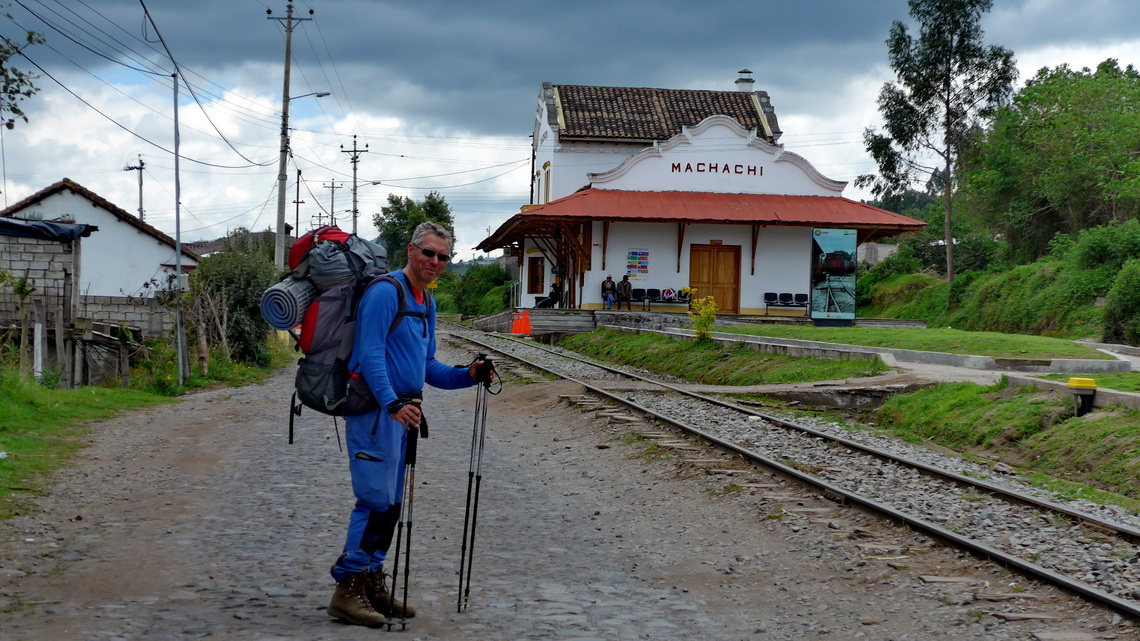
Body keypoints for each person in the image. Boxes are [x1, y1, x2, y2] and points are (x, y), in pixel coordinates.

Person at [327, 221, 492, 627]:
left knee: (392, 505)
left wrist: (466, 374)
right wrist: (392, 403)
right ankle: (346, 589)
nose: (435, 262)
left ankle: (370, 581)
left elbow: (426, 366)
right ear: (411, 250)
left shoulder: (425, 302)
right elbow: (369, 356)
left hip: (402, 414)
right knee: (374, 501)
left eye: (442, 256)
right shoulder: (386, 292)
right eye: (428, 252)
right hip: (374, 412)